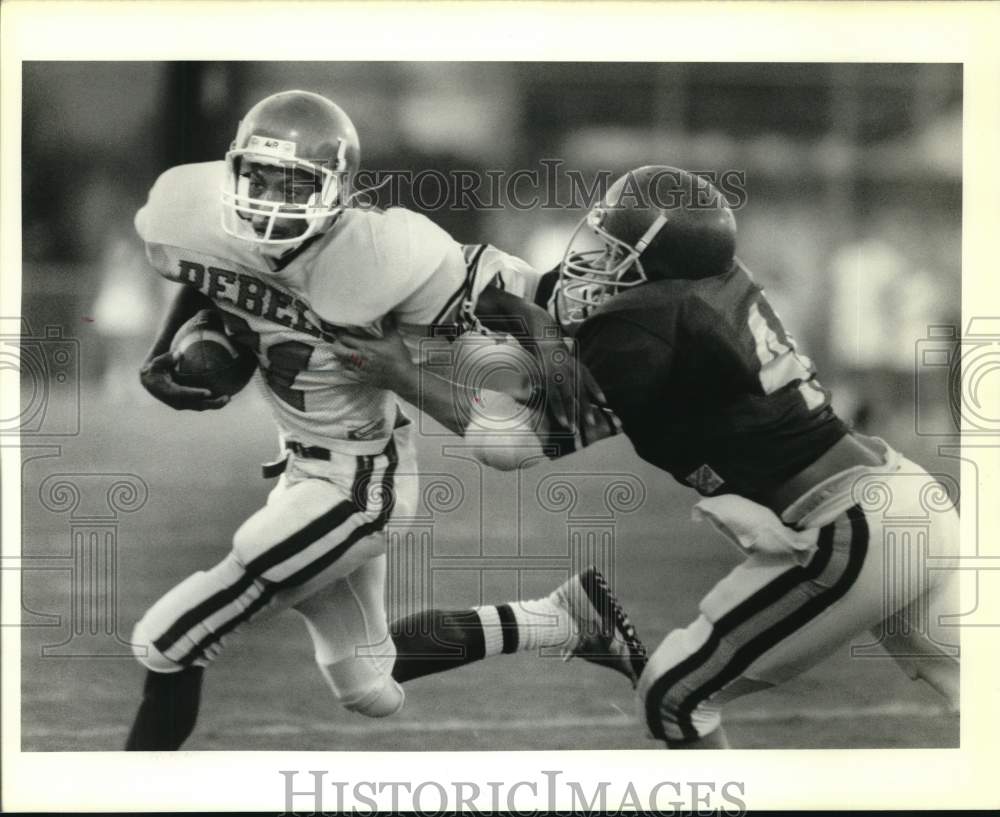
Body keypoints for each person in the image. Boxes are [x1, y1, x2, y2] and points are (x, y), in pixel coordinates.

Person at [331, 165, 961, 749]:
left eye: (613, 251)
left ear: (650, 267)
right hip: (907, 502)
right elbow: (555, 351)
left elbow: (524, 436)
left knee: (674, 694)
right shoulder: (704, 291)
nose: (592, 259)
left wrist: (403, 373)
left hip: (849, 528)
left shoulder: (644, 324)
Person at [125, 89, 639, 751]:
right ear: (233, 170)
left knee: (171, 638)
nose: (268, 201)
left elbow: (500, 287)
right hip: (300, 467)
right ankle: (563, 620)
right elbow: (206, 265)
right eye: (258, 178)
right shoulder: (190, 211)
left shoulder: (383, 253)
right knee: (372, 684)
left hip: (360, 483)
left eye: (294, 185)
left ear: (335, 193)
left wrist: (559, 347)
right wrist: (162, 350)